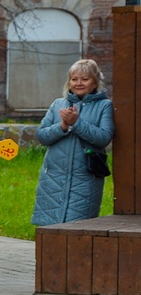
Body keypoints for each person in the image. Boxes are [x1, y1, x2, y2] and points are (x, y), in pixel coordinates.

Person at [32, 59, 115, 226]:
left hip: (86, 176)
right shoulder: (58, 104)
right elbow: (41, 136)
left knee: (78, 228)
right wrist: (62, 126)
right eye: (74, 79)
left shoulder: (105, 106)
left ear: (95, 82)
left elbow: (104, 137)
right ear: (69, 82)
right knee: (49, 227)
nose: (79, 83)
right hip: (53, 176)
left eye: (85, 79)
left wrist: (76, 123)